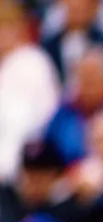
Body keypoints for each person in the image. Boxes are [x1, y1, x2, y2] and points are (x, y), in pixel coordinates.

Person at [0, 0, 60, 183]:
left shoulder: (33, 63)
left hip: (22, 170)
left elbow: (32, 123)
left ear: (19, 29)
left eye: (6, 27)